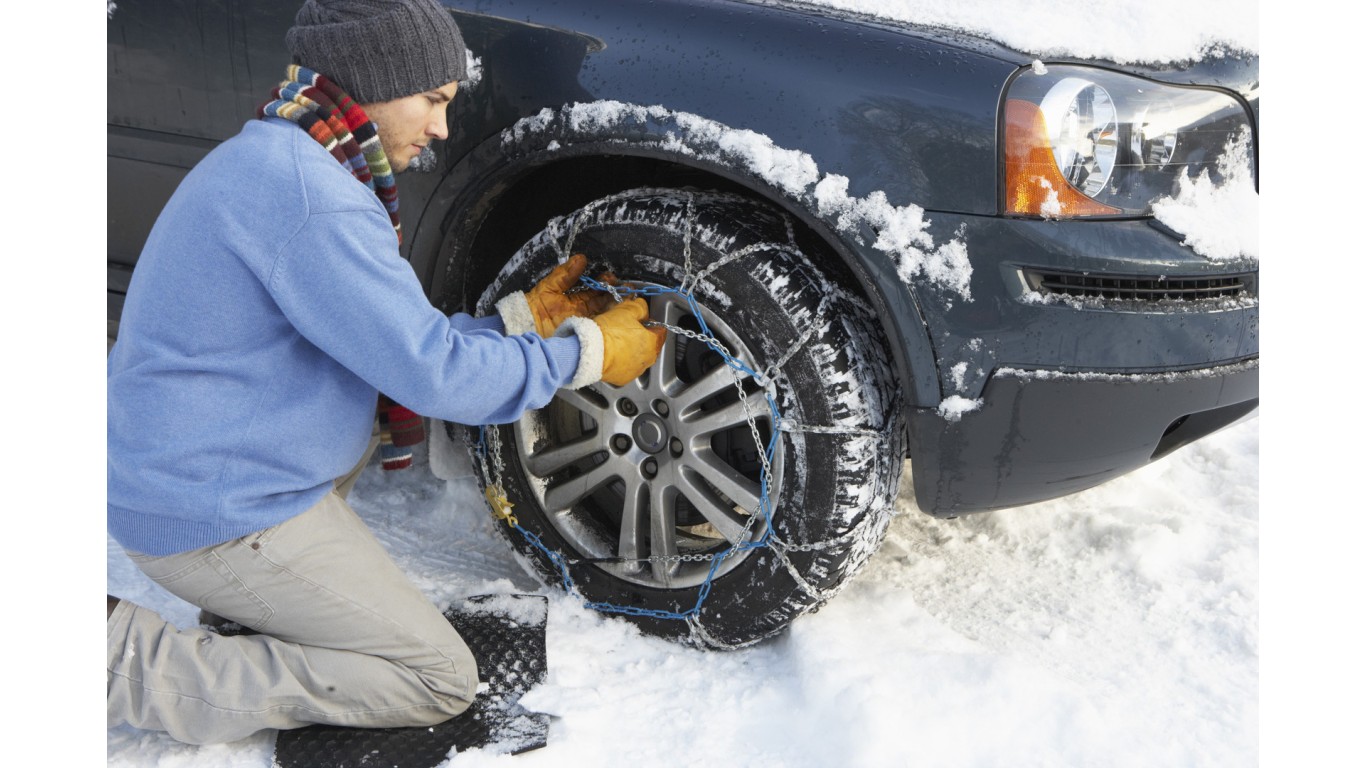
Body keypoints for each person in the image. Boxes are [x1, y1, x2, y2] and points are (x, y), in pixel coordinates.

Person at [106, 0, 664, 746]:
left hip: (210, 465)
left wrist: (522, 324)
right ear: (373, 79)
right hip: (212, 510)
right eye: (433, 100)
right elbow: (434, 376)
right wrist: (586, 354)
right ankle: (117, 661)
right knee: (434, 678)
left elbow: (391, 343)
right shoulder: (314, 201)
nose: (440, 129)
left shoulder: (285, 156)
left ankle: (254, 605)